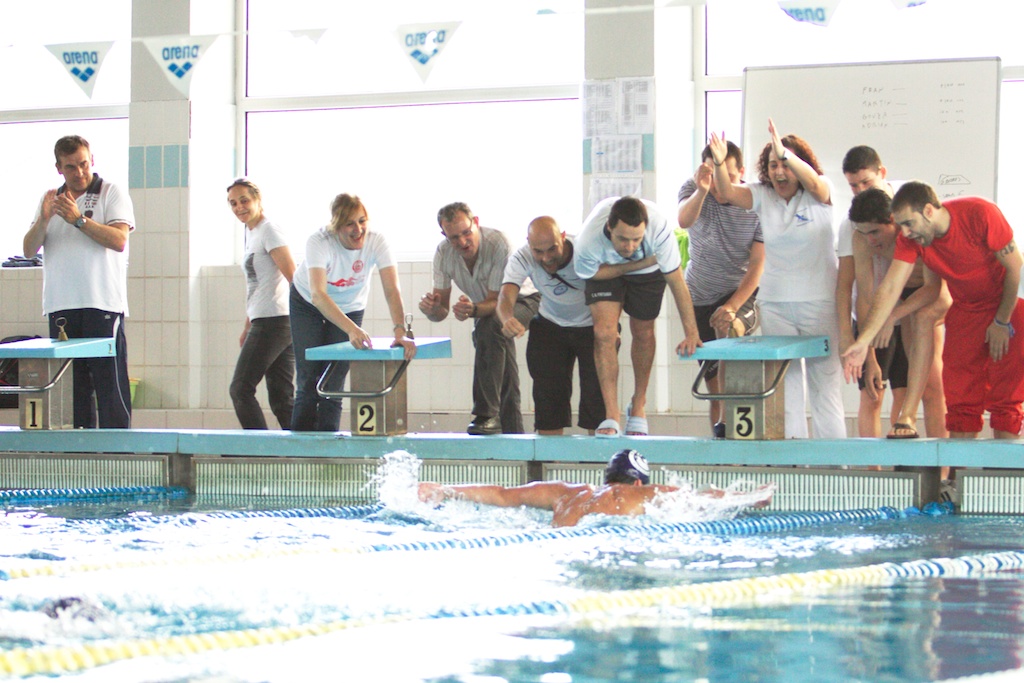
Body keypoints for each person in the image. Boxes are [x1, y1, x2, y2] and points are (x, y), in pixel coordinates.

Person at [842, 181, 1024, 441]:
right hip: (966, 308)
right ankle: (960, 476)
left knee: (1006, 396)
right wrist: (863, 341)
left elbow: (1016, 268)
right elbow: (891, 286)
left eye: (908, 224)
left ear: (928, 211)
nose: (904, 232)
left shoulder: (980, 212)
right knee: (961, 395)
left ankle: (1001, 477)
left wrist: (1001, 321)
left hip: (1008, 304)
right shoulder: (913, 239)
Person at [709, 119, 846, 439]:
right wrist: (718, 163)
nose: (780, 172)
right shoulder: (762, 195)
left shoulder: (820, 192)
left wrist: (786, 154)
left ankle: (835, 469)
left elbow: (814, 182)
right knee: (788, 391)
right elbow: (726, 192)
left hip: (819, 302)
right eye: (773, 165)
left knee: (824, 389)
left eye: (785, 164)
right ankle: (795, 466)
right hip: (776, 305)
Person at [835, 147, 948, 440]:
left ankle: (945, 472)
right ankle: (880, 468)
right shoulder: (858, 233)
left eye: (875, 233)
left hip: (925, 296)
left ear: (893, 222)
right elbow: (869, 293)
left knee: (930, 387)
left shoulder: (911, 226)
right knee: (875, 391)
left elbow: (936, 290)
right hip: (896, 296)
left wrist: (893, 315)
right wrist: (865, 348)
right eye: (853, 185)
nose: (871, 241)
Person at [23, 135, 134, 428]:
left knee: (110, 387)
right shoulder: (50, 200)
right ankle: (82, 455)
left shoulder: (112, 192)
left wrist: (78, 220)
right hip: (62, 305)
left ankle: (118, 454)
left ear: (92, 160)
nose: (80, 172)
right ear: (59, 168)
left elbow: (119, 240)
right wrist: (44, 220)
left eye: (83, 164)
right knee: (74, 391)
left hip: (101, 303)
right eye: (71, 167)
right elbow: (28, 249)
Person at [574, 196, 701, 437]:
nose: (629, 247)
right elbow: (590, 273)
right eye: (622, 239)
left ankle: (638, 404)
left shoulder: (660, 231)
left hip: (650, 270)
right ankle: (612, 414)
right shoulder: (588, 240)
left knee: (643, 331)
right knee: (604, 334)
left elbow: (677, 282)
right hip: (605, 271)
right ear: (609, 228)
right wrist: (635, 264)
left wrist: (692, 333)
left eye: (636, 240)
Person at [290, 193, 416, 432]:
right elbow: (318, 295)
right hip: (307, 303)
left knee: (333, 381)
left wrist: (399, 331)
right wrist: (351, 329)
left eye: (362, 221)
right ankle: (301, 452)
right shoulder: (319, 242)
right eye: (350, 223)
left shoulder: (377, 242)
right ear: (336, 227)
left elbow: (392, 289)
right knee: (308, 380)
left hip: (350, 306)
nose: (358, 229)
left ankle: (328, 451)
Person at [419, 202, 540, 435]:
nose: (463, 242)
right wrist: (431, 309)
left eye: (467, 233)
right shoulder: (443, 254)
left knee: (491, 326)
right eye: (454, 238)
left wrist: (472, 310)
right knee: (504, 374)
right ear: (444, 235)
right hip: (484, 309)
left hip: (523, 300)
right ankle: (513, 435)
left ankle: (486, 414)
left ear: (476, 223)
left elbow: (499, 301)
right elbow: (442, 310)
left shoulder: (498, 244)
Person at [418, 449, 774, 527]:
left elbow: (500, 494)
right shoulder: (639, 495)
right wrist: (751, 497)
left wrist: (446, 489)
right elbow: (698, 498)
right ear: (637, 481)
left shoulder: (567, 492)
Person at [677, 140, 764, 438]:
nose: (719, 185)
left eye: (727, 176)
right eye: (714, 176)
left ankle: (730, 424)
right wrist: (702, 190)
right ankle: (719, 434)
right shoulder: (694, 190)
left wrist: (731, 306)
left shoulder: (755, 204)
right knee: (712, 381)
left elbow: (756, 267)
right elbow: (683, 220)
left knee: (728, 331)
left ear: (740, 172)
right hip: (699, 293)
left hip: (737, 289)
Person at [497, 216, 603, 435]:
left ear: (562, 237)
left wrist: (609, 328)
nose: (546, 258)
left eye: (552, 249)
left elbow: (611, 292)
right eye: (538, 251)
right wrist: (507, 318)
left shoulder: (585, 250)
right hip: (551, 325)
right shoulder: (523, 257)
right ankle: (548, 466)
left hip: (592, 326)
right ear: (528, 243)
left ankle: (596, 466)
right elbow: (506, 295)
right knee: (548, 403)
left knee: (596, 400)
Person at [225, 178, 296, 430]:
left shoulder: (269, 230)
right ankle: (303, 454)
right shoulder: (253, 234)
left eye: (244, 200)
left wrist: (303, 321)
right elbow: (258, 286)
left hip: (274, 322)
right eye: (233, 203)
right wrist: (247, 325)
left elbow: (293, 277)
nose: (239, 207)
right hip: (267, 320)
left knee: (240, 389)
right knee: (281, 398)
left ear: (258, 200)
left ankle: (259, 448)